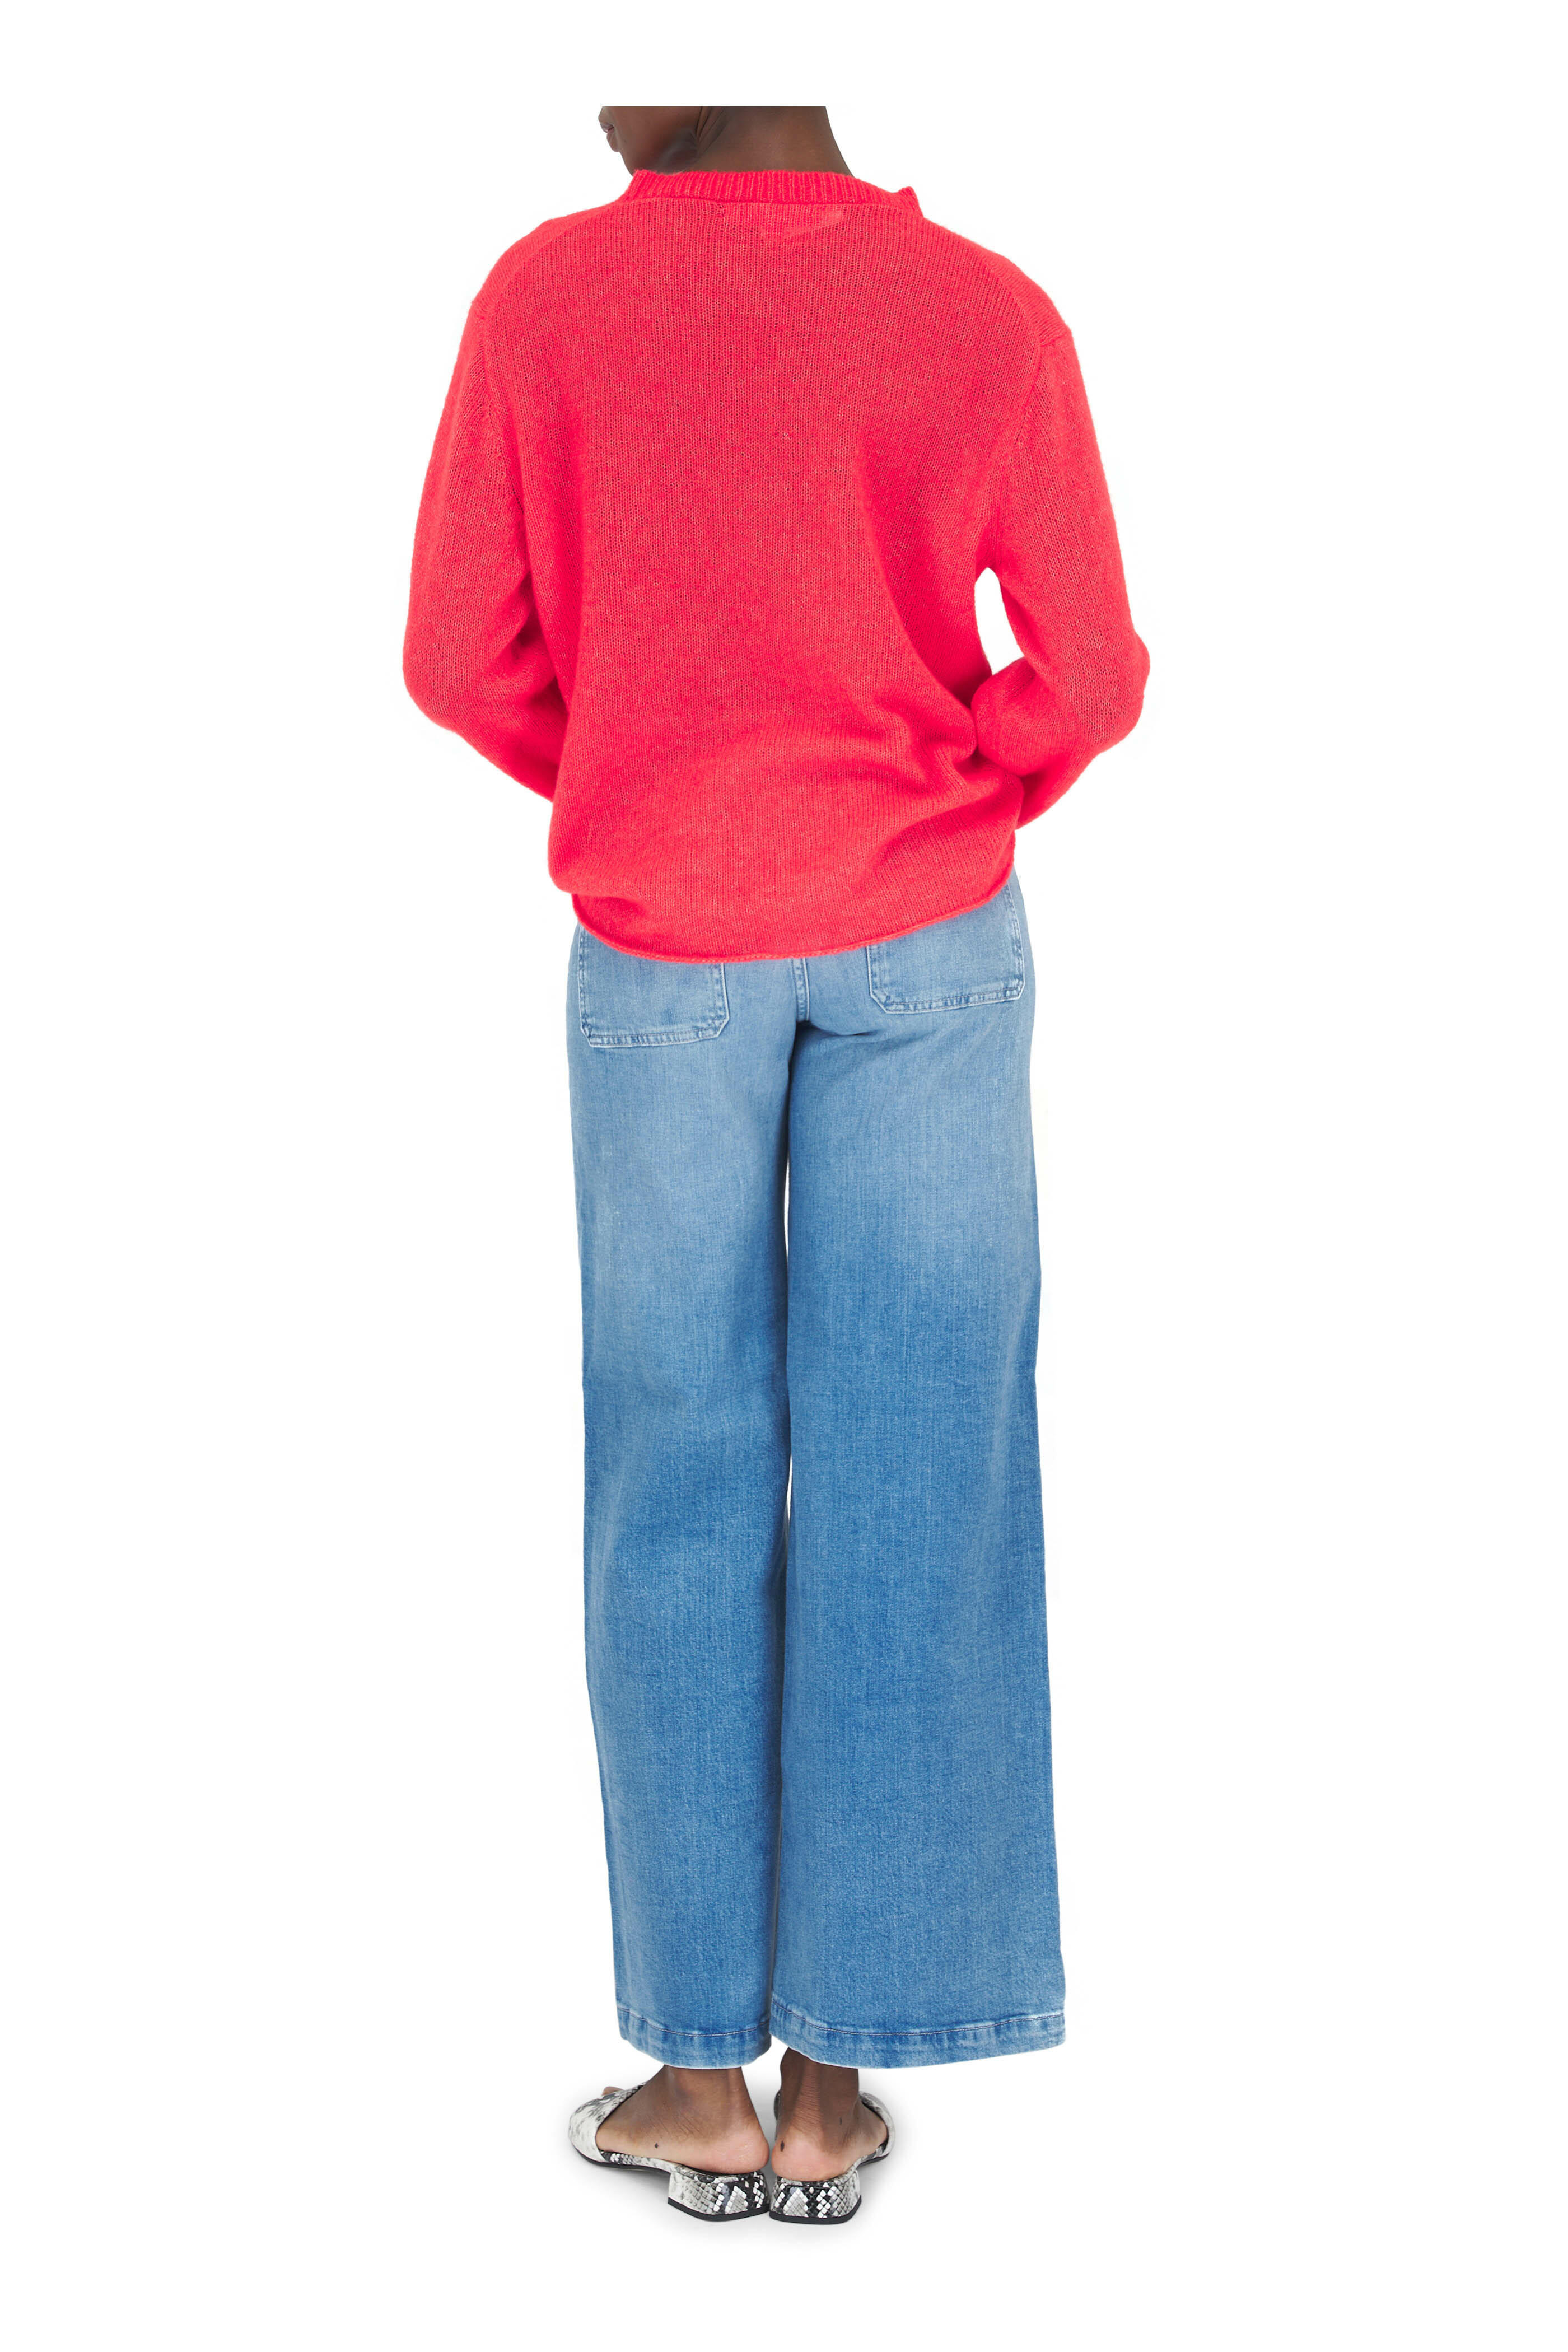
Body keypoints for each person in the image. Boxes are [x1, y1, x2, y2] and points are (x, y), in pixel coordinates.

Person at [404, 103, 1146, 2226]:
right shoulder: (984, 315)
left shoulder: (544, 302)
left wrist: (645, 771)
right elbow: (1091, 674)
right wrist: (947, 779)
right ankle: (836, 2092)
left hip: (664, 951)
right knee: (920, 1473)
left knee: (676, 1483)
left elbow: (454, 656)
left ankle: (695, 2080)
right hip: (928, 944)